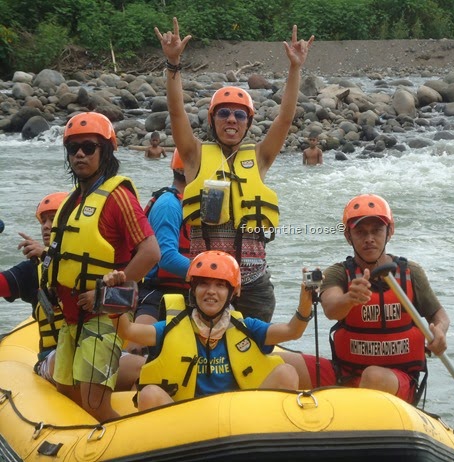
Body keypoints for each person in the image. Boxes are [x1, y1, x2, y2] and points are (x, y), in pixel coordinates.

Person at [154, 17, 314, 322]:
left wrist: (295, 69)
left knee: (253, 362)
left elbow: (284, 119)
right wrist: (173, 63)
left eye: (240, 115)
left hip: (253, 284)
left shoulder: (260, 157)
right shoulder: (194, 155)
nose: (231, 120)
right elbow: (176, 112)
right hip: (206, 282)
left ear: (248, 122)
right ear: (213, 119)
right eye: (224, 113)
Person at [39, 111, 160, 421]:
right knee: (68, 395)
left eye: (89, 147)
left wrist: (103, 294)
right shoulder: (72, 200)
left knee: (94, 405)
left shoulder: (118, 197)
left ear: (105, 151)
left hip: (103, 318)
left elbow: (150, 252)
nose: (80, 154)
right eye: (73, 148)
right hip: (71, 318)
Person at [279, 194, 450, 405]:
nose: (369, 238)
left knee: (373, 376)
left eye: (376, 230)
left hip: (396, 379)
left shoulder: (411, 273)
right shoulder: (339, 273)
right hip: (346, 374)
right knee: (279, 362)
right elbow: (332, 309)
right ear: (348, 235)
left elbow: (438, 315)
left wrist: (440, 331)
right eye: (360, 232)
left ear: (390, 231)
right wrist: (350, 298)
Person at [105, 250, 313, 411]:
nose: (211, 292)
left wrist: (305, 305)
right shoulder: (172, 327)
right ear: (193, 290)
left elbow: (291, 331)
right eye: (203, 284)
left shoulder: (246, 327)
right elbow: (128, 331)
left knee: (286, 373)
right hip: (188, 418)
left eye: (220, 285)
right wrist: (113, 296)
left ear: (233, 292)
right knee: (149, 393)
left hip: (240, 415)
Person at [127, 149, 191, 355]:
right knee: (138, 351)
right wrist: (210, 274)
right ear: (182, 168)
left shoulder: (194, 204)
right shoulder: (169, 205)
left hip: (188, 291)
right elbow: (167, 258)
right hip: (157, 291)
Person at [1, 191, 68, 384]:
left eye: (53, 219)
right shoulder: (33, 268)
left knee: (139, 367)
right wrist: (46, 257)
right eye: (43, 221)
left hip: (94, 350)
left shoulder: (91, 263)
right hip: (53, 356)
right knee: (69, 359)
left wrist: (49, 254)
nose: (46, 226)